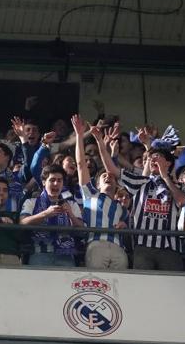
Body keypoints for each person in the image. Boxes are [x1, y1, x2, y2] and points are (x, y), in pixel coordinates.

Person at [92, 123, 185, 271]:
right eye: (151, 157)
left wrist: (165, 177)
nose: (153, 159)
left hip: (171, 248)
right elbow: (112, 169)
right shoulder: (140, 182)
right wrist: (100, 142)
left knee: (173, 289)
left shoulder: (178, 187)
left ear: (168, 163)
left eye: (158, 157)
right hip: (143, 247)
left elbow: (183, 201)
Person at [72, 115, 129, 270]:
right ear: (97, 184)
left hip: (119, 248)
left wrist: (125, 225)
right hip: (96, 245)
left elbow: (129, 226)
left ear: (117, 184)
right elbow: (81, 165)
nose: (109, 177)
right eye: (104, 176)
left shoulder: (122, 207)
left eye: (111, 176)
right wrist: (79, 135)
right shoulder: (91, 194)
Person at [20, 164, 83, 267]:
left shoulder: (71, 204)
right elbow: (22, 222)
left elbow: (81, 228)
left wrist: (70, 214)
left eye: (59, 180)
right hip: (39, 254)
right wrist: (45, 214)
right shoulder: (31, 202)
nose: (56, 183)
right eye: (52, 180)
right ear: (44, 182)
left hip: (66, 255)